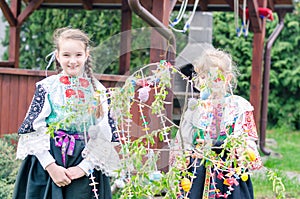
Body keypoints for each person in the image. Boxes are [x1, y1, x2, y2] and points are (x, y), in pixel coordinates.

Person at [13, 27, 119, 199]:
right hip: (48, 164)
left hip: (84, 165)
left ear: (86, 55)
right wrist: (51, 166)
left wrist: (83, 168)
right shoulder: (47, 87)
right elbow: (33, 130)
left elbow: (104, 135)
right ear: (57, 55)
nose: (72, 61)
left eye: (78, 55)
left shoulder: (98, 90)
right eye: (66, 55)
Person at [170, 47, 262, 199]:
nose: (212, 82)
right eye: (205, 77)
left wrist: (239, 150)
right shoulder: (195, 109)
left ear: (228, 79)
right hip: (198, 170)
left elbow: (247, 140)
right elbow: (184, 139)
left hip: (228, 170)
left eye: (217, 77)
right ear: (199, 79)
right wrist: (185, 155)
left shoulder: (237, 106)